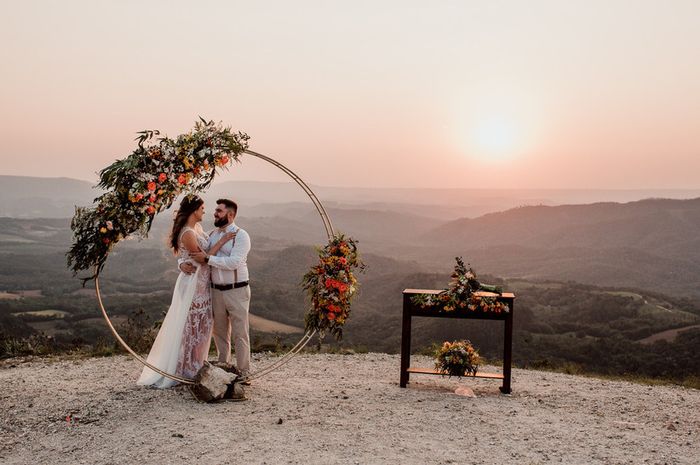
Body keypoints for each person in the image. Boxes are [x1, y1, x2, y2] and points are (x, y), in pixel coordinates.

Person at [137, 195, 235, 388]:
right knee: (191, 327)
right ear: (194, 211)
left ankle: (196, 364)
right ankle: (185, 369)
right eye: (202, 208)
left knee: (203, 326)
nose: (204, 211)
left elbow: (190, 256)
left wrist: (181, 262)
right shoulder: (188, 233)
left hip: (202, 283)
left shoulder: (197, 229)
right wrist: (222, 241)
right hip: (193, 285)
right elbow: (202, 258)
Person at [183, 198, 252, 378]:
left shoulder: (241, 235)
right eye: (215, 210)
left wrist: (207, 259)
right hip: (215, 291)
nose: (215, 213)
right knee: (220, 335)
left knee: (240, 334)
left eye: (219, 211)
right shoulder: (211, 234)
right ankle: (224, 370)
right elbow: (191, 252)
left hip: (237, 290)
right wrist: (180, 264)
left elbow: (234, 262)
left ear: (230, 214)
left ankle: (244, 373)